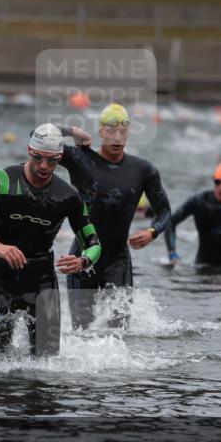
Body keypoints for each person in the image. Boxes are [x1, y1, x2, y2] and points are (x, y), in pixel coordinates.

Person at [0, 124, 101, 357]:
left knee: (47, 364)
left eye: (52, 160)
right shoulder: (2, 180)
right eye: (38, 158)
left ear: (59, 158)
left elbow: (94, 243)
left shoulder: (68, 196)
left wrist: (83, 261)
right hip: (1, 280)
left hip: (43, 283)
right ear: (29, 150)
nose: (44, 166)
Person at [55, 103, 172, 329]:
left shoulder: (143, 170)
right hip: (82, 257)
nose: (117, 137)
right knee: (82, 332)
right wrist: (72, 131)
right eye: (111, 130)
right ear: (100, 132)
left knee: (119, 335)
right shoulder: (81, 159)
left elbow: (164, 210)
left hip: (118, 261)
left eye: (123, 131)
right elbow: (38, 136)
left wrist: (152, 232)